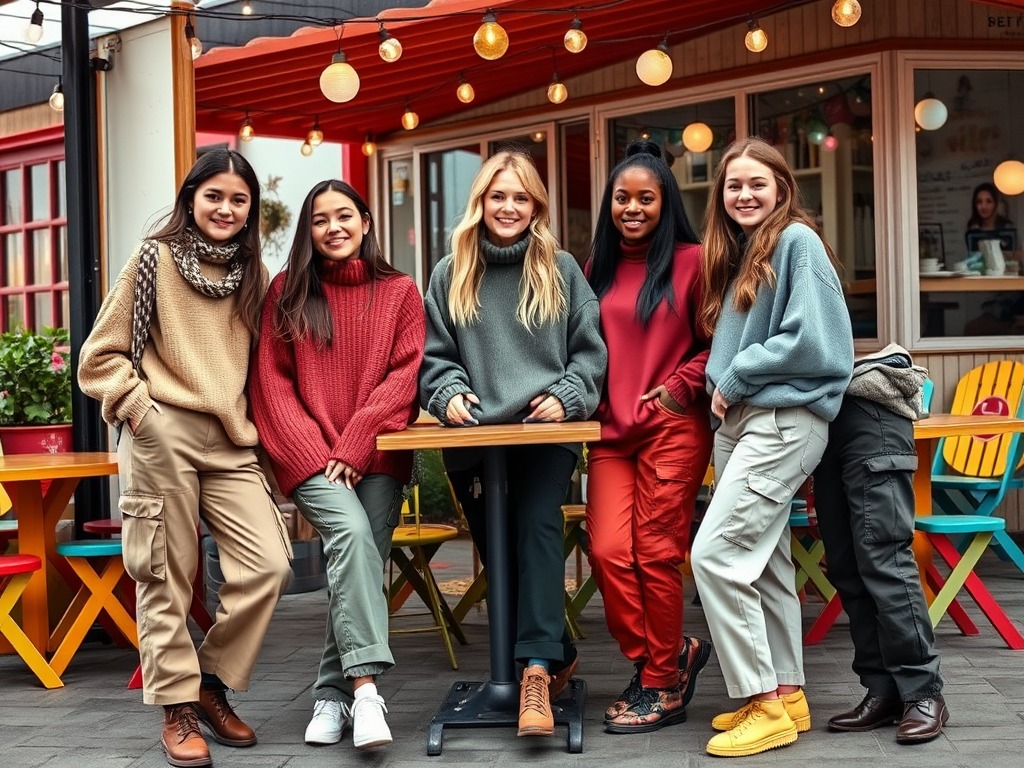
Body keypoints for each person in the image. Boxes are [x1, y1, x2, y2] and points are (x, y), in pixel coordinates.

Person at [78, 149, 293, 768]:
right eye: (214, 196)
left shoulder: (253, 273)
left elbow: (265, 368)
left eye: (239, 199)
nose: (226, 209)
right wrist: (141, 409)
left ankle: (208, 681)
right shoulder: (154, 261)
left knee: (270, 565)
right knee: (165, 571)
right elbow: (100, 356)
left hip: (231, 438)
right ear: (191, 198)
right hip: (161, 427)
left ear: (251, 210)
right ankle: (175, 707)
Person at [419, 150, 607, 738]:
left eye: (521, 197)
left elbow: (590, 351)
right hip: (475, 436)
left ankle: (532, 674)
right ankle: (556, 651)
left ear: (536, 207)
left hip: (545, 431)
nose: (508, 207)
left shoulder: (562, 268)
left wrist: (571, 394)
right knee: (499, 551)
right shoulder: (452, 272)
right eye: (498, 195)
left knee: (535, 527)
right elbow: (433, 357)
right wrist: (446, 393)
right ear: (481, 201)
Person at [690, 136, 854, 758]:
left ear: (782, 187)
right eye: (734, 185)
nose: (744, 194)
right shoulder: (743, 254)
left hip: (783, 419)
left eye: (757, 183)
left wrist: (732, 375)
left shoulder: (796, 243)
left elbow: (817, 343)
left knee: (715, 555)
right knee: (765, 562)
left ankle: (760, 703)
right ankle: (787, 693)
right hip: (745, 422)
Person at [249, 180, 424, 751]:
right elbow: (272, 386)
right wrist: (318, 455)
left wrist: (355, 443)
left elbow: (404, 377)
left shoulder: (399, 292)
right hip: (311, 460)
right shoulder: (287, 293)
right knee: (350, 536)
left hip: (378, 455)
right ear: (309, 231)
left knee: (360, 563)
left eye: (344, 215)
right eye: (320, 219)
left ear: (366, 222)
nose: (333, 227)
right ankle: (368, 692)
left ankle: (331, 692)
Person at [584, 139, 714, 734]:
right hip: (611, 432)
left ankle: (661, 686)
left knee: (657, 554)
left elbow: (721, 343)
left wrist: (679, 386)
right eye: (622, 198)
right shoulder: (595, 267)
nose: (632, 208)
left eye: (645, 198)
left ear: (665, 204)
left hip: (671, 426)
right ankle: (664, 657)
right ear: (609, 203)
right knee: (609, 552)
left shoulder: (694, 260)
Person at [813, 345, 948, 744]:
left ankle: (924, 692)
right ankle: (884, 690)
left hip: (869, 411)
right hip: (825, 416)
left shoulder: (797, 278)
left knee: (884, 560)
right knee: (845, 565)